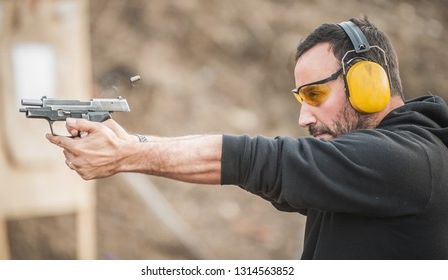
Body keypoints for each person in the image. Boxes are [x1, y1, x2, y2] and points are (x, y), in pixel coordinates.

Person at [47, 17, 448, 259]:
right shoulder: (367, 173)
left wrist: (127, 156)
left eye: (315, 94)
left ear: (369, 83)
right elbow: (267, 168)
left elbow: (258, 161)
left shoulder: (411, 162)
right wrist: (129, 143)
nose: (303, 116)